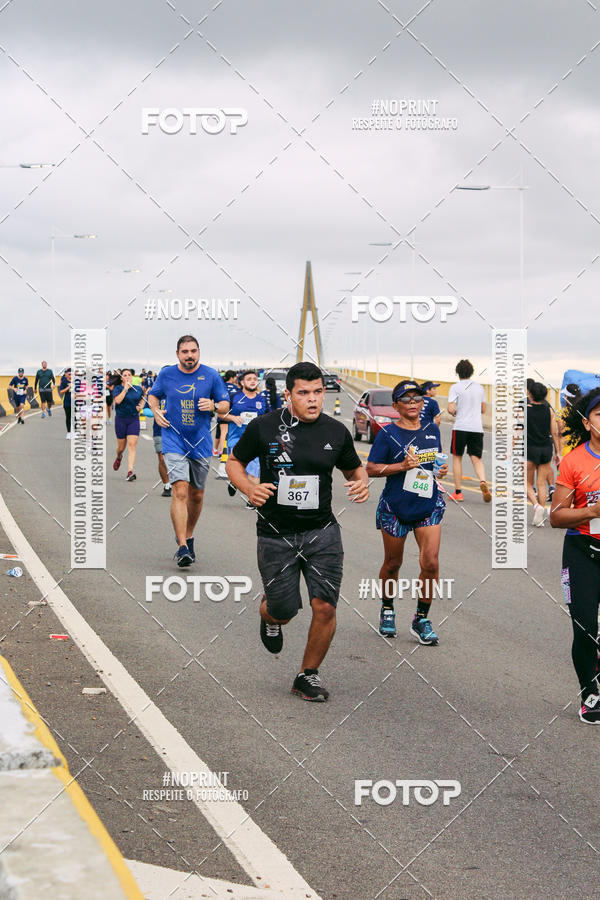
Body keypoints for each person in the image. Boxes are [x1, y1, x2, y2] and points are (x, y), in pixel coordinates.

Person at [226, 361, 369, 702]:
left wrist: (361, 485)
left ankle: (307, 675)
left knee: (325, 608)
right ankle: (270, 614)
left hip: (322, 532)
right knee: (284, 609)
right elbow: (234, 463)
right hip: (276, 534)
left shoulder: (336, 432)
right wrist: (249, 488)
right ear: (288, 394)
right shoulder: (263, 427)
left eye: (318, 392)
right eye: (304, 393)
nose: (313, 400)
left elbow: (355, 472)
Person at [366, 380, 448, 643]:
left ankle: (421, 618)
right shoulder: (388, 433)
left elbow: (437, 461)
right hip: (396, 506)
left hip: (428, 504)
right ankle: (387, 609)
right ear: (395, 406)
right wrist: (401, 465)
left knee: (431, 562)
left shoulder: (432, 429)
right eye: (406, 399)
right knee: (393, 563)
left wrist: (441, 470)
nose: (413, 403)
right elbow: (371, 468)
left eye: (417, 399)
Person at [148, 335, 230, 567]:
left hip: (201, 443)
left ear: (199, 352)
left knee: (197, 495)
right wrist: (155, 411)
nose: (189, 355)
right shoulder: (166, 375)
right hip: (174, 440)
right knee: (180, 491)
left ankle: (189, 535)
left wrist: (214, 406)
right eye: (185, 352)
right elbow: (153, 396)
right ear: (177, 355)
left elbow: (225, 404)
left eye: (193, 351)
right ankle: (182, 546)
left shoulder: (211, 375)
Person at [550, 389, 600, 723]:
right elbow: (556, 516)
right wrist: (593, 510)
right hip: (583, 551)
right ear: (587, 422)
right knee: (584, 628)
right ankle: (591, 694)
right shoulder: (574, 462)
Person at [221, 371, 269, 506]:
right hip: (236, 439)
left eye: (255, 379)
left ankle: (251, 499)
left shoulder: (262, 400)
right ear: (242, 382)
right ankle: (235, 480)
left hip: (255, 441)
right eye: (249, 379)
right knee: (238, 467)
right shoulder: (234, 397)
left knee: (254, 469)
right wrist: (232, 417)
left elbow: (268, 418)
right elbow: (220, 414)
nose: (253, 381)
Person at [447, 359, 491, 503]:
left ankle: (458, 492)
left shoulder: (455, 387)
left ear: (457, 372)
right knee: (476, 458)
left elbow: (451, 408)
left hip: (460, 426)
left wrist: (456, 412)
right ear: (471, 372)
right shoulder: (479, 388)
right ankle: (483, 481)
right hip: (476, 428)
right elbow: (483, 409)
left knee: (457, 458)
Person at [527, 382, 560, 526]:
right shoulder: (550, 411)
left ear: (530, 394)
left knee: (526, 482)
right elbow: (554, 432)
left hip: (530, 449)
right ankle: (539, 518)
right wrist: (558, 451)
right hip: (546, 449)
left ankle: (536, 506)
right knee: (541, 483)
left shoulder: (525, 410)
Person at [112, 368, 144, 481]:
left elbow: (142, 400)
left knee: (132, 445)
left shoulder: (138, 389)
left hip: (133, 419)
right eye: (124, 375)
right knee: (121, 448)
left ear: (132, 377)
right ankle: (119, 456)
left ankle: (130, 471)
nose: (127, 377)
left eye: (129, 375)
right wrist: (125, 389)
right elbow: (118, 401)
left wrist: (140, 406)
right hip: (121, 419)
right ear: (121, 378)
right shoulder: (118, 388)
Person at [152, 397, 171, 498]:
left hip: (177, 431)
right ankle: (167, 485)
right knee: (162, 459)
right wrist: (155, 412)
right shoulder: (156, 392)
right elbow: (146, 409)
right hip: (159, 430)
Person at [58, 368, 72, 438]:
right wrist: (68, 387)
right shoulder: (64, 381)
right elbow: (61, 391)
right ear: (66, 375)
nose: (70, 376)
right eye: (69, 374)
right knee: (68, 417)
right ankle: (69, 432)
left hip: (75, 402)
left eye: (72, 374)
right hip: (67, 402)